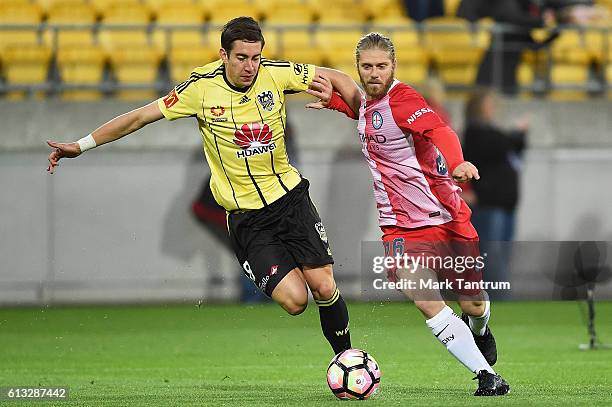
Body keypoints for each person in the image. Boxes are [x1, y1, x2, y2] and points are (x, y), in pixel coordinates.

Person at [46, 17, 352, 356]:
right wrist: (81, 145)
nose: (250, 66)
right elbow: (139, 117)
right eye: (241, 58)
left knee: (324, 285)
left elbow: (337, 76)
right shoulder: (199, 89)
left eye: (255, 58)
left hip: (291, 199)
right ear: (223, 54)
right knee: (296, 301)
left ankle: (346, 359)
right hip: (247, 218)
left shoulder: (277, 74)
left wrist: (360, 112)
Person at [306, 32, 510, 396]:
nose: (374, 73)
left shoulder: (404, 100)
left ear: (393, 67)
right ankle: (486, 375)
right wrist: (326, 95)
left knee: (474, 303)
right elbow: (350, 96)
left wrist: (459, 160)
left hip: (445, 217)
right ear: (359, 68)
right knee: (425, 299)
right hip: (399, 227)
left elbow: (440, 130)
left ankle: (479, 329)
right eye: (366, 66)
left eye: (381, 66)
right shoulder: (367, 105)